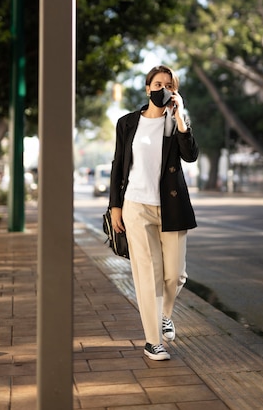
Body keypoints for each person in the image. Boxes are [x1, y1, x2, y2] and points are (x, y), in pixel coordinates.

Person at [109, 64, 199, 361]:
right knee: (148, 276)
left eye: (169, 85)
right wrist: (115, 206)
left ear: (175, 91)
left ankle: (165, 315)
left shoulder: (174, 123)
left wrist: (180, 116)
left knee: (175, 275)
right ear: (148, 88)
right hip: (136, 206)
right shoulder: (127, 123)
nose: (162, 89)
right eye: (157, 84)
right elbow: (118, 165)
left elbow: (190, 155)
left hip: (171, 207)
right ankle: (152, 341)